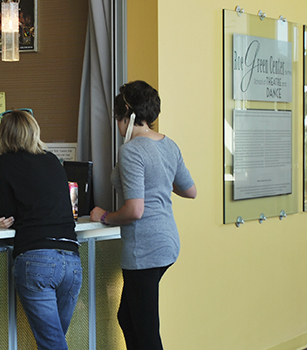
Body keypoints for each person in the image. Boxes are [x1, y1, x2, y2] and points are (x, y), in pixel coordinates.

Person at [90, 81, 197, 350]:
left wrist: (104, 216)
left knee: (147, 331)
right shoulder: (168, 145)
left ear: (128, 115)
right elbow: (190, 190)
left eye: (118, 118)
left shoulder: (132, 150)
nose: (117, 124)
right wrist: (160, 179)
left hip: (144, 249)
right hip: (167, 242)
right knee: (127, 317)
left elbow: (135, 210)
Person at [0, 109, 81, 350]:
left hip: (37, 258)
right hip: (71, 261)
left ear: (4, 135)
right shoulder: (52, 160)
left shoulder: (4, 163)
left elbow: (8, 211)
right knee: (54, 343)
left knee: (52, 345)